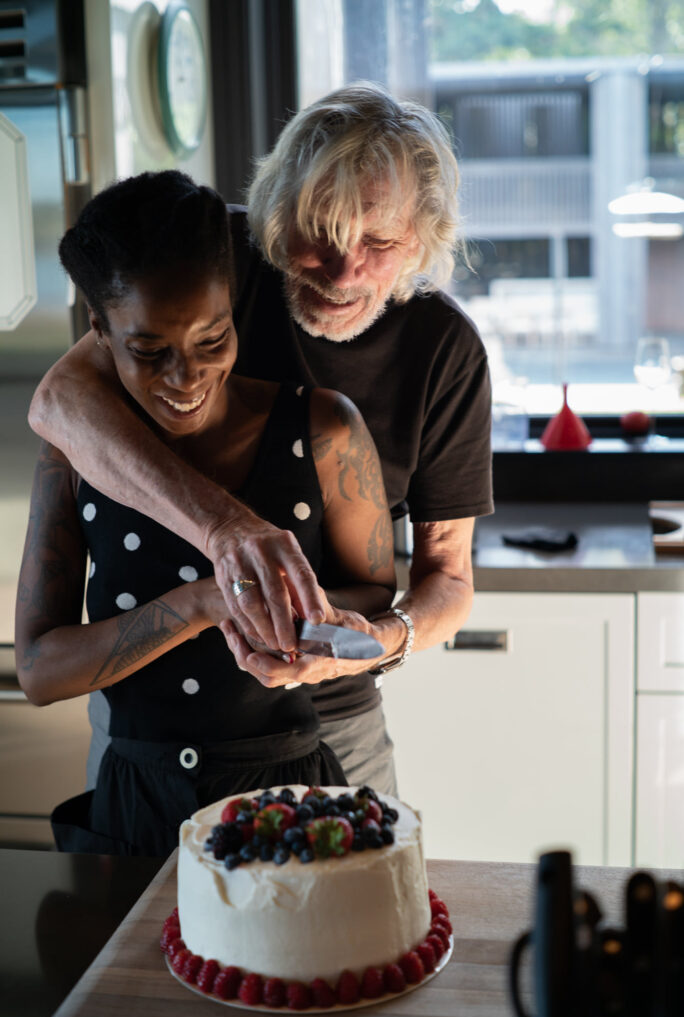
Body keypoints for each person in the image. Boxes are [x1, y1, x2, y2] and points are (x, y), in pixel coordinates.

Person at [28, 82, 494, 796]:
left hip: (329, 726)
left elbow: (449, 580)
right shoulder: (214, 265)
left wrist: (378, 642)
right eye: (318, 233)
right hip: (145, 734)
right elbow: (61, 402)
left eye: (378, 241)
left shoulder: (444, 350)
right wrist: (227, 534)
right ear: (275, 210)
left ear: (421, 239)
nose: (343, 271)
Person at [14, 170, 395, 857]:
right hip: (134, 798)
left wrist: (314, 622)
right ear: (99, 330)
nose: (185, 377)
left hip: (290, 791)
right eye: (148, 352)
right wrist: (200, 604)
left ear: (234, 308)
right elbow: (40, 671)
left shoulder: (326, 428)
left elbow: (374, 588)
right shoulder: (72, 454)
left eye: (212, 340)